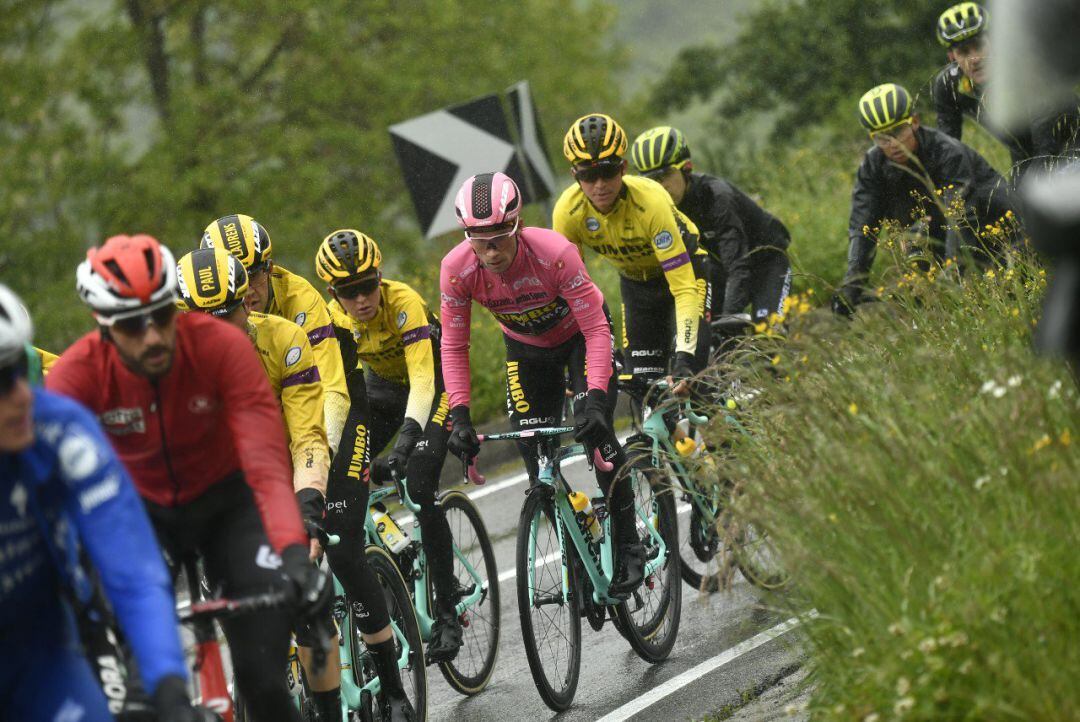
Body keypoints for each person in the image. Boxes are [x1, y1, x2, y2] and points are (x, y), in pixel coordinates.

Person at [45, 234, 330, 722]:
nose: (153, 335)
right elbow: (55, 494)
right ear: (103, 325)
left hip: (228, 507)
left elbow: (264, 461)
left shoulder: (221, 347)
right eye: (133, 325)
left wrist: (291, 551)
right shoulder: (78, 376)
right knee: (156, 694)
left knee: (265, 682)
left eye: (162, 316)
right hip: (141, 515)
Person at [440, 172, 645, 597]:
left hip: (580, 341)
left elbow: (595, 330)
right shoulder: (456, 271)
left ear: (517, 226)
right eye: (480, 240)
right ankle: (576, 548)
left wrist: (594, 400)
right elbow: (455, 347)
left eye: (500, 237)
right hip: (526, 351)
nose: (491, 251)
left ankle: (629, 545)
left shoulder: (554, 253)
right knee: (535, 455)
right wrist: (458, 414)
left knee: (599, 436)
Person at [0, 283, 196, 722]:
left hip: (46, 651)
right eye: (0, 382)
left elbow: (134, 569)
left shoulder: (58, 428)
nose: (21, 394)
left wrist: (167, 683)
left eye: (19, 369)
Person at [316, 228, 463, 661]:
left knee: (417, 485)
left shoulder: (403, 303)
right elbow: (334, 389)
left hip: (435, 390)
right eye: (349, 292)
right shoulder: (333, 320)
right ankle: (392, 553)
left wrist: (404, 445)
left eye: (368, 286)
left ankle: (448, 609)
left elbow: (422, 380)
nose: (362, 300)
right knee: (346, 474)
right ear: (333, 293)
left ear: (380, 277)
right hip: (382, 394)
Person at [553, 113, 711, 387]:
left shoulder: (650, 201)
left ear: (624, 168)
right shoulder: (567, 213)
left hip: (684, 271)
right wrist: (583, 356)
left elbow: (684, 288)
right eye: (588, 175)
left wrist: (684, 359)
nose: (599, 184)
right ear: (574, 175)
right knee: (642, 385)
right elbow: (573, 294)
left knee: (690, 378)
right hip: (637, 286)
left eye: (608, 172)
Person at [833, 83, 1020, 314]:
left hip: (995, 225)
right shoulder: (872, 167)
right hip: (945, 227)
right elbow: (863, 227)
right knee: (915, 242)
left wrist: (951, 273)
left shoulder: (947, 152)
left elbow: (959, 215)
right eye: (882, 137)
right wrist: (852, 284)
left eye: (898, 130)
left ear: (915, 121)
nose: (893, 143)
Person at [201, 213, 350, 456]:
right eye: (235, 283)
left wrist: (322, 456)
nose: (247, 291)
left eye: (254, 273)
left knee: (333, 490)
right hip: (276, 390)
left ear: (269, 267)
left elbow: (332, 389)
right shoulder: (209, 311)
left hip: (335, 381)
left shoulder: (300, 299)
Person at [630, 125, 793, 325]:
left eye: (665, 175)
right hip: (722, 269)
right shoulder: (660, 209)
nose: (660, 186)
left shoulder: (716, 197)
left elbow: (738, 264)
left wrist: (728, 320)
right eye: (652, 180)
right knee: (706, 336)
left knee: (768, 331)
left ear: (686, 168)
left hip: (767, 263)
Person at [932, 2, 1080, 181]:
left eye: (978, 46)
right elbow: (948, 149)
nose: (974, 59)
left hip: (1068, 140)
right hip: (1024, 150)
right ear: (952, 57)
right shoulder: (948, 85)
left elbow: (1046, 147)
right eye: (963, 52)